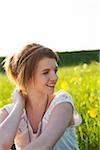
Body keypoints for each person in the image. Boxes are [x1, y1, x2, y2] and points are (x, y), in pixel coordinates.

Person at [0, 42, 82, 150]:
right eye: (45, 72)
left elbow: (45, 145)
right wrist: (19, 105)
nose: (55, 77)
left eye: (55, 71)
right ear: (27, 76)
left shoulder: (62, 104)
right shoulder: (10, 112)